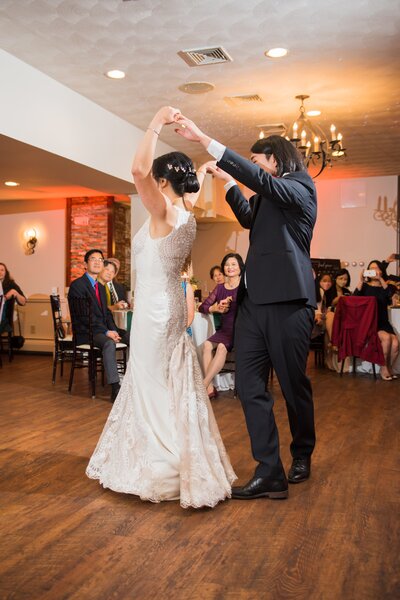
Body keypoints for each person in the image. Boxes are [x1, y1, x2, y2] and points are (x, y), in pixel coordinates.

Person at [86, 106, 236, 508]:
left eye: (156, 178)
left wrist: (153, 121)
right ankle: (177, 454)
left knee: (151, 381)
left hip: (154, 310)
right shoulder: (186, 215)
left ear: (163, 180)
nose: (149, 182)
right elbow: (193, 185)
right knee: (168, 381)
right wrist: (202, 171)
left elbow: (137, 171)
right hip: (167, 305)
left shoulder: (166, 211)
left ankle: (162, 462)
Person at [176, 116, 317, 500]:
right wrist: (229, 183)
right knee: (248, 386)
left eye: (258, 161)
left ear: (275, 160)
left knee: (292, 386)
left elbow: (265, 185)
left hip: (289, 302)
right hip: (253, 305)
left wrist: (205, 137)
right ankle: (269, 470)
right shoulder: (268, 198)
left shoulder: (301, 188)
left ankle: (302, 453)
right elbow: (247, 215)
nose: (255, 167)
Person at [68, 249, 130, 401]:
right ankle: (115, 388)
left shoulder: (101, 287)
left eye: (100, 260)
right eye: (93, 259)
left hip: (101, 331)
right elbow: (84, 318)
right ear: (85, 264)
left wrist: (114, 330)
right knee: (109, 343)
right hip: (86, 332)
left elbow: (107, 315)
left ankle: (134, 380)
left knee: (131, 335)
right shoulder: (77, 286)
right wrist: (106, 332)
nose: (97, 262)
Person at [199, 252, 244, 398]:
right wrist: (215, 307)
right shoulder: (220, 288)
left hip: (240, 329)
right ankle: (210, 387)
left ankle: (203, 385)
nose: (230, 267)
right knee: (206, 345)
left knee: (222, 347)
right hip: (224, 330)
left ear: (240, 267)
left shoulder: (244, 286)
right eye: (227, 265)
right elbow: (203, 307)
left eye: (233, 264)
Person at [354, 260, 399, 380]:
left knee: (396, 344)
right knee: (387, 339)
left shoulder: (386, 286)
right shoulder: (365, 286)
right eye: (371, 269)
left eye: (376, 269)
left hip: (384, 322)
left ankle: (388, 367)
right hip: (371, 322)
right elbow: (355, 299)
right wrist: (361, 281)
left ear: (381, 271)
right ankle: (384, 369)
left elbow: (390, 295)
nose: (373, 271)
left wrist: (381, 279)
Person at [325, 269, 352, 341]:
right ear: (336, 278)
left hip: (344, 314)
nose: (343, 281)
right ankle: (333, 341)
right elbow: (330, 304)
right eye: (341, 278)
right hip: (331, 314)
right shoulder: (329, 290)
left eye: (345, 279)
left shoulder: (347, 291)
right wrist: (340, 297)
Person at [0, 263, 26, 333]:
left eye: (2, 270)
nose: (0, 272)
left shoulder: (11, 284)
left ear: (6, 273)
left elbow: (23, 302)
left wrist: (15, 292)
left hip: (4, 319)